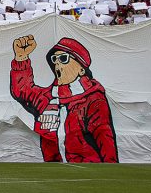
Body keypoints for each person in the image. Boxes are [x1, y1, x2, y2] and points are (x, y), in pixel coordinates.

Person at [10, 35, 118, 163]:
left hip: (88, 169)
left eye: (63, 59)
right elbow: (23, 90)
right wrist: (21, 58)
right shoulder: (48, 97)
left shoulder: (93, 98)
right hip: (53, 169)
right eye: (55, 59)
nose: (57, 64)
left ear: (81, 69)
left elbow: (104, 136)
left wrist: (111, 167)